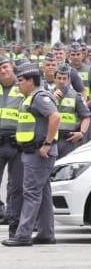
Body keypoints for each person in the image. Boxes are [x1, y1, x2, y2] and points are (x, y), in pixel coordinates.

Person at [2, 62, 60, 247]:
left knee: (31, 193)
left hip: (38, 153)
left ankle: (23, 235)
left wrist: (47, 144)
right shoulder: (30, 97)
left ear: (31, 81)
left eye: (21, 80)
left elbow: (55, 117)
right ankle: (45, 234)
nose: (18, 84)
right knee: (42, 193)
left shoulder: (39, 97)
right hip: (32, 152)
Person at [0, 56, 23, 225]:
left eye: (5, 67)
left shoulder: (23, 85)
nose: (2, 71)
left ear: (12, 68)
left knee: (16, 184)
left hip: (17, 142)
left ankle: (12, 215)